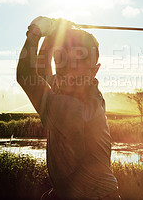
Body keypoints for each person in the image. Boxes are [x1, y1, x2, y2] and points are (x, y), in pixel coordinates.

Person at [17, 16, 120, 199]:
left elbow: (26, 74)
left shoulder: (71, 108)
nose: (66, 72)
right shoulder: (84, 90)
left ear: (94, 70)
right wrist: (53, 36)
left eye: (76, 64)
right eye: (62, 62)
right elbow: (42, 73)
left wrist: (36, 33)